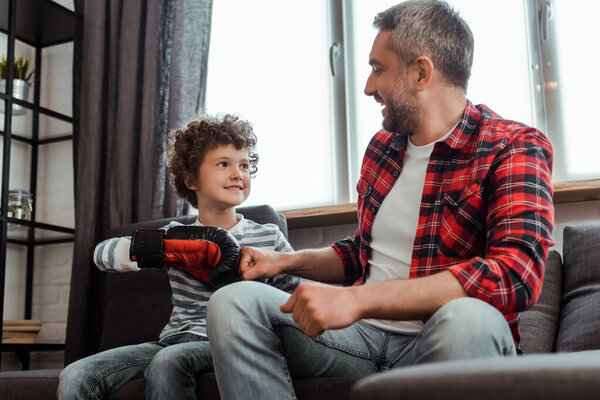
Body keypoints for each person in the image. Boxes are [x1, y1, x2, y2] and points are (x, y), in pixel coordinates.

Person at [206, 1, 555, 399]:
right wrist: (285, 262)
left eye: (378, 68)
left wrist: (356, 300)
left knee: (469, 319)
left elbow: (515, 274)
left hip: (443, 340)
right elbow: (362, 253)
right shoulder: (383, 149)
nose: (369, 87)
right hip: (360, 340)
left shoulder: (513, 146)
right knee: (232, 302)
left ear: (421, 72)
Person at [57, 113, 300, 400]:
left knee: (168, 362)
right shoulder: (172, 235)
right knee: (74, 376)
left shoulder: (268, 236)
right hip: (172, 340)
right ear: (191, 179)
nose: (238, 174)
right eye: (224, 164)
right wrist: (168, 247)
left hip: (231, 344)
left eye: (245, 165)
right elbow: (101, 255)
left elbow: (294, 300)